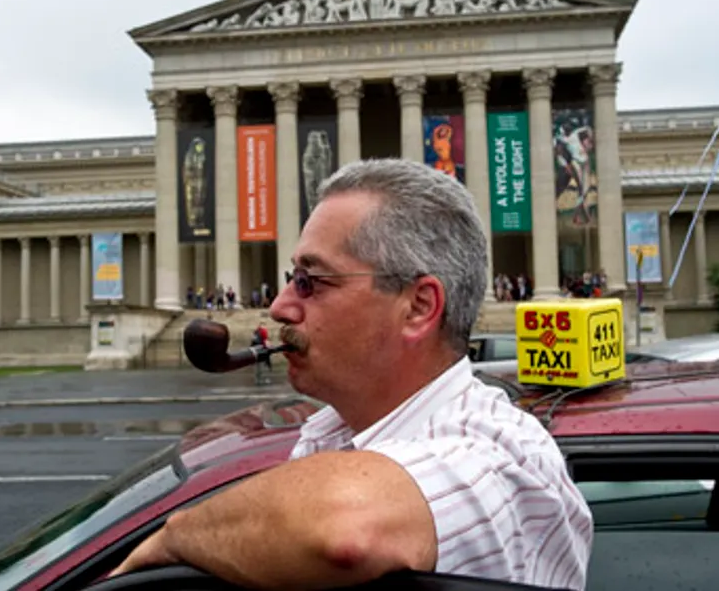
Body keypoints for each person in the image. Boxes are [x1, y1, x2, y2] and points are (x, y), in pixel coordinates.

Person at [111, 158, 592, 589]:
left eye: (310, 281)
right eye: (288, 280)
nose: (280, 307)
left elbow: (344, 531)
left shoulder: (504, 451)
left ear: (418, 307)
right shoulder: (332, 433)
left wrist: (173, 537)